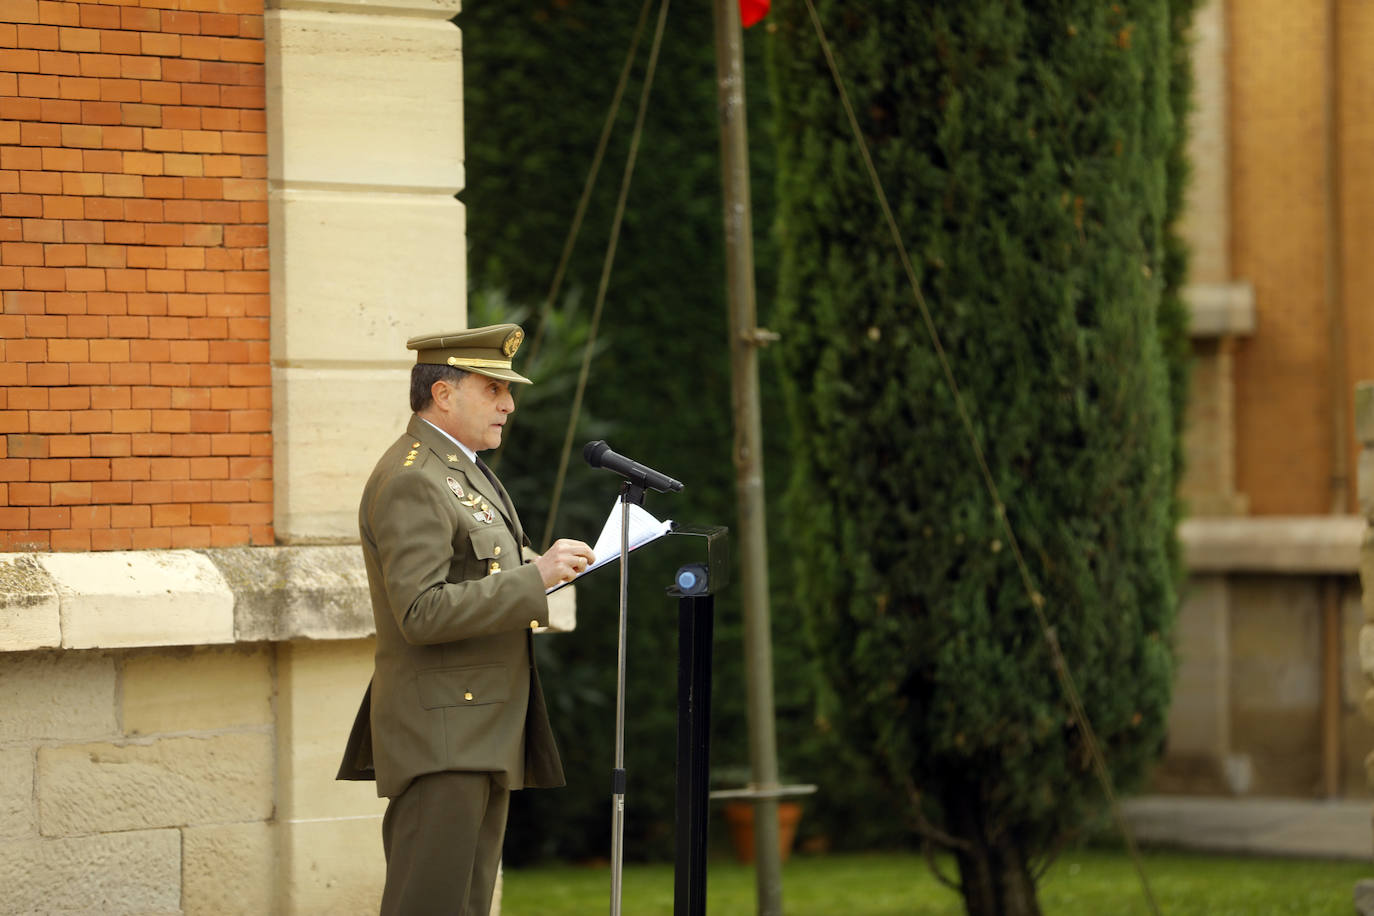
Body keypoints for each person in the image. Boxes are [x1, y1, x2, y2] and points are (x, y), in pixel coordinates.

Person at [337, 323, 595, 915]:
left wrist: (542, 568)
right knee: (431, 905)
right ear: (444, 393)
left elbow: (474, 572)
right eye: (493, 388)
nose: (509, 403)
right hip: (444, 735)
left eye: (509, 390)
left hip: (475, 727)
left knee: (466, 905)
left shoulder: (459, 467)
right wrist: (536, 579)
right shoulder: (414, 477)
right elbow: (420, 612)